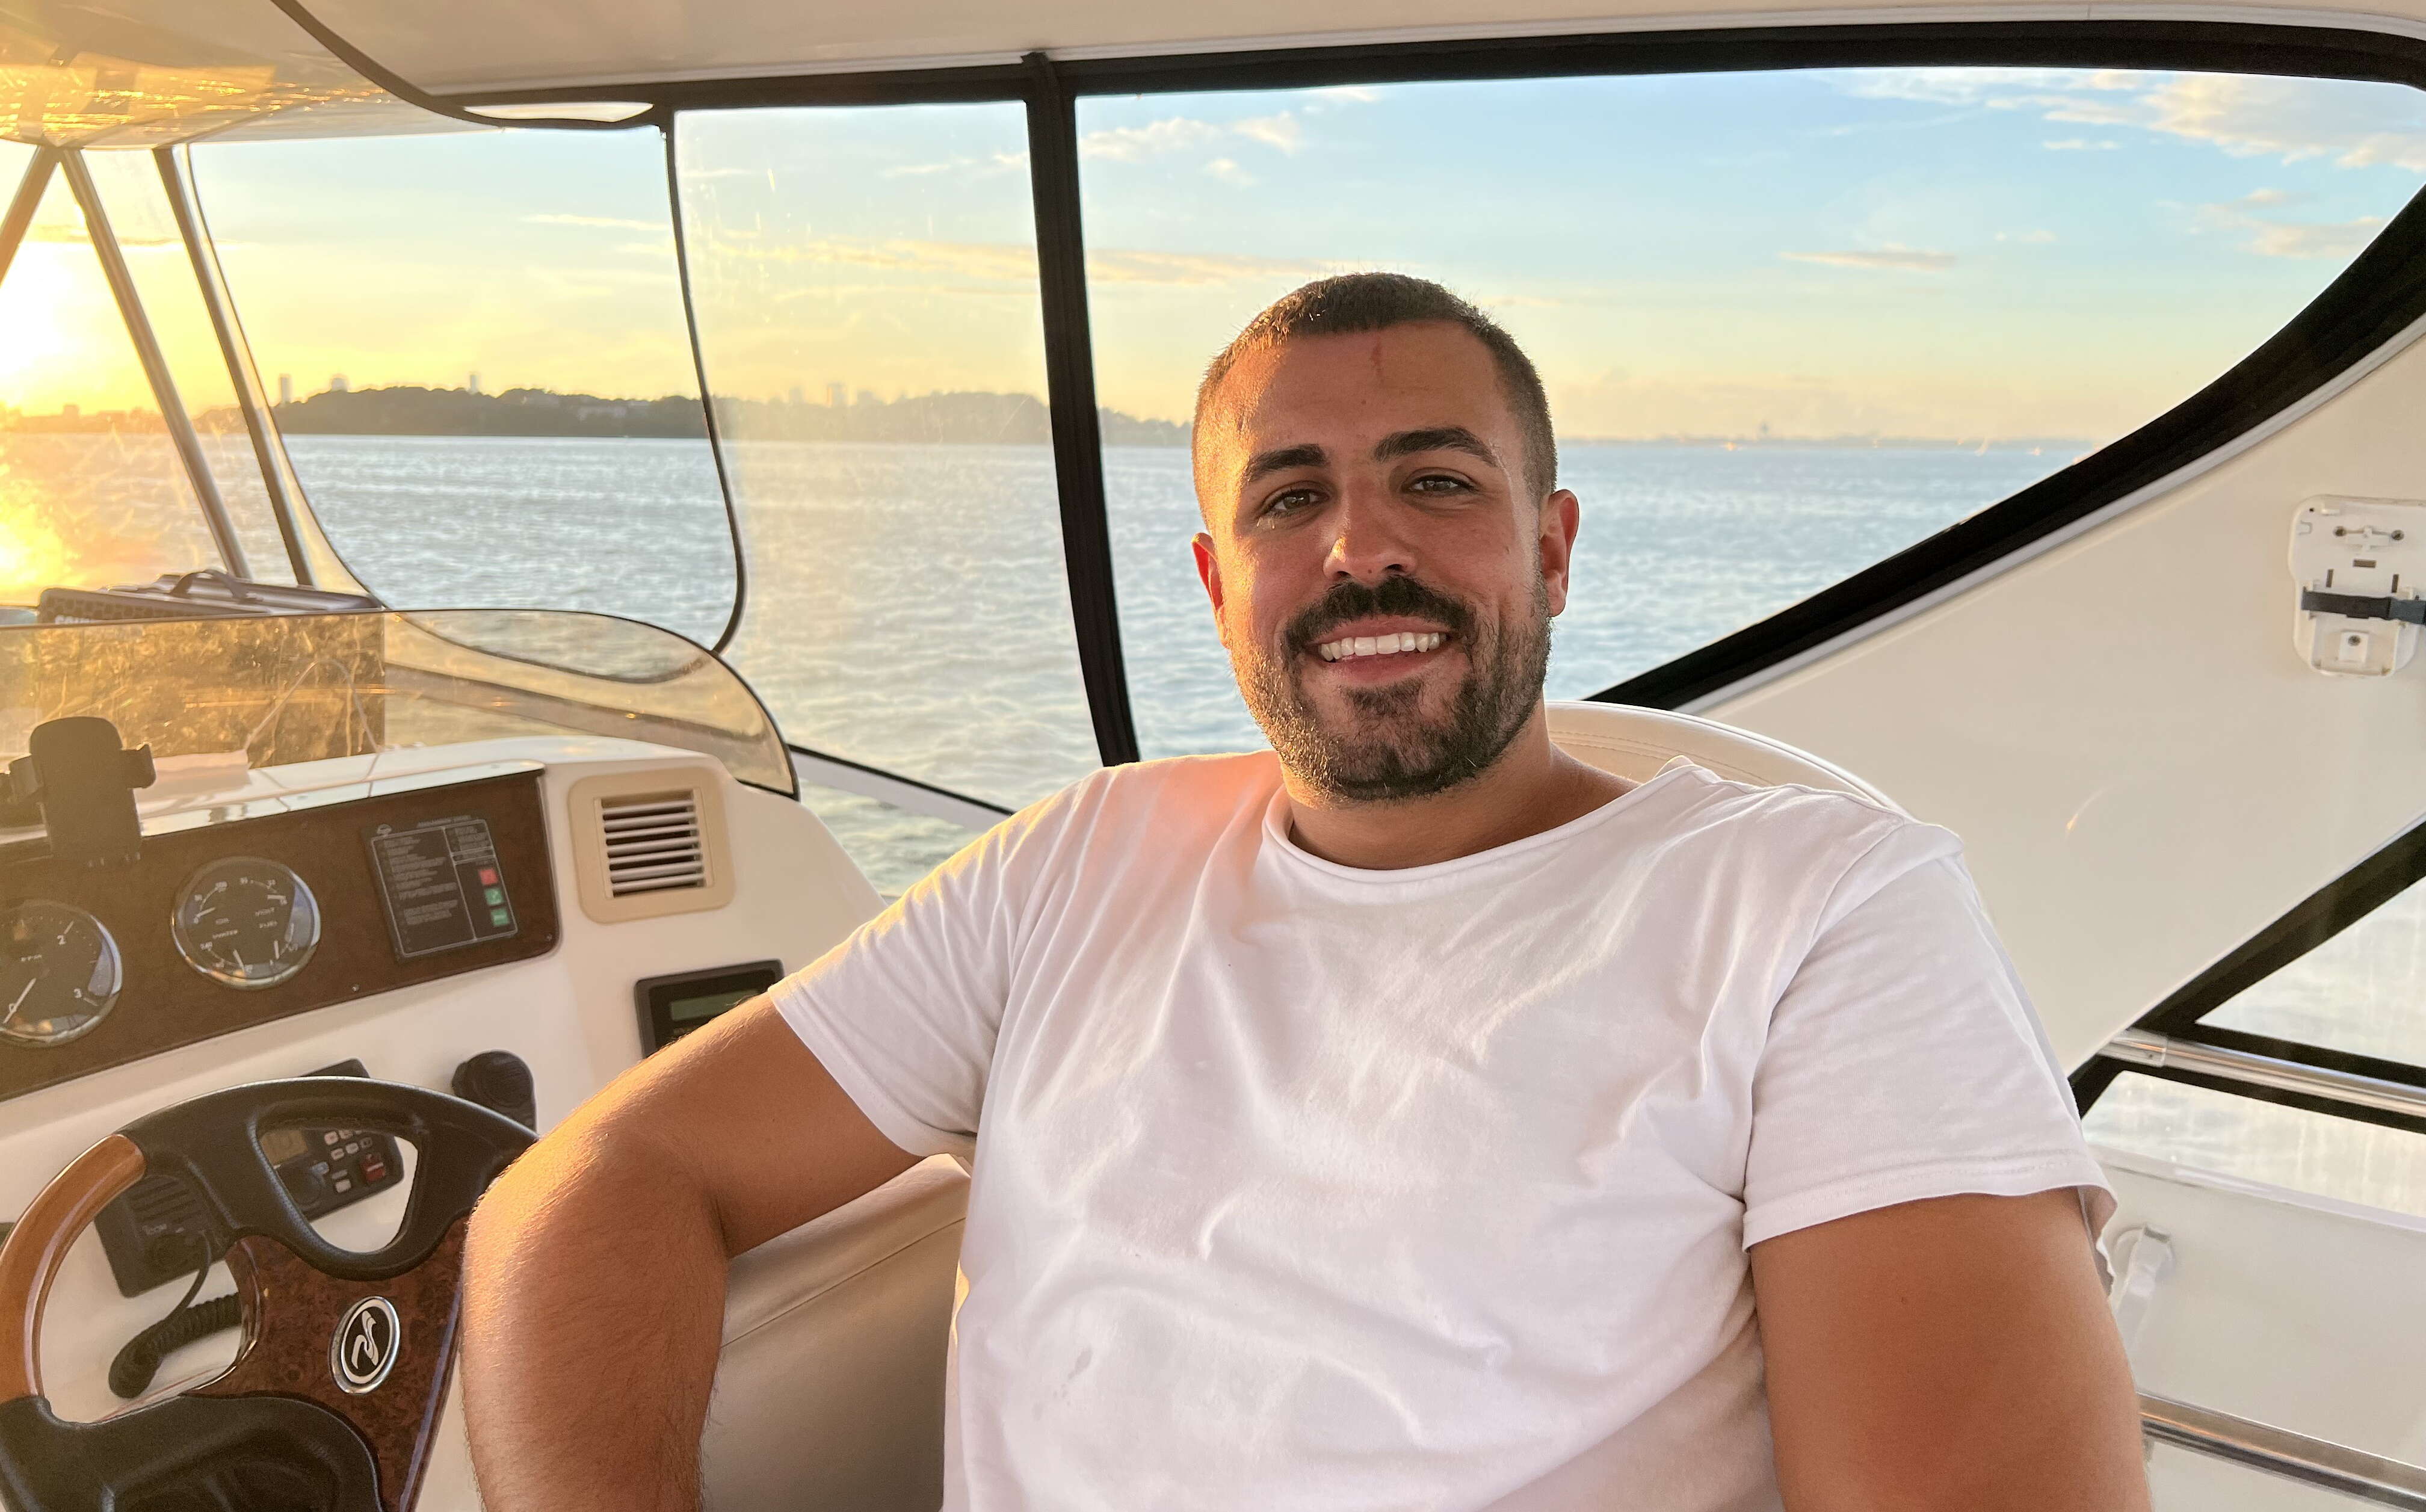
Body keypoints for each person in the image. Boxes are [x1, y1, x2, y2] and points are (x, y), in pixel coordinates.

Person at [461, 273, 2149, 1512]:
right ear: (1217, 582)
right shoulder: (1073, 865)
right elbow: (602, 1180)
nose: (1361, 549)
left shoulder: (1814, 908)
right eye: (1291, 497)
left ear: (1551, 547)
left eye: (1436, 479)